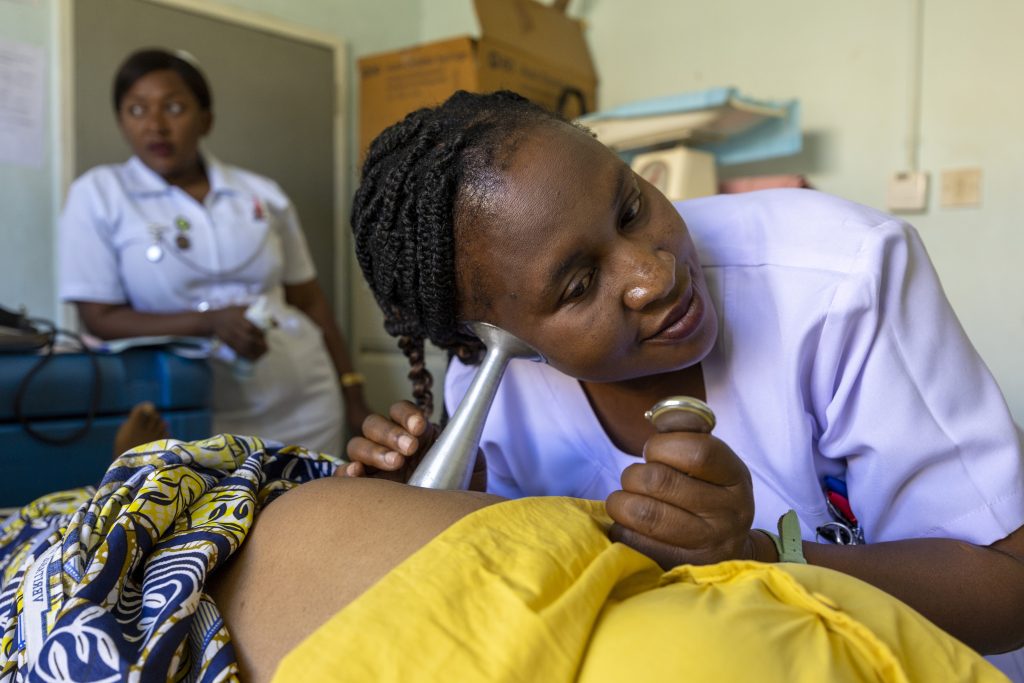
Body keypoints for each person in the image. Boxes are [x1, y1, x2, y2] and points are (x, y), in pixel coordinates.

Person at [344, 90, 1024, 678]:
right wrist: (454, 524)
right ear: (488, 336)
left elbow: (1010, 588)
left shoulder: (841, 279)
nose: (655, 274)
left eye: (632, 207)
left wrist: (763, 555)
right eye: (580, 285)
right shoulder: (492, 388)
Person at [57, 48, 369, 455]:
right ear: (120, 121)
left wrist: (352, 392)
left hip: (303, 397)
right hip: (192, 406)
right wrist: (210, 322)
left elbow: (309, 300)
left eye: (173, 107)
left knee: (316, 509)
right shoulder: (99, 194)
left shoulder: (261, 194)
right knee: (213, 515)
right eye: (136, 110)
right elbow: (99, 317)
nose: (155, 126)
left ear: (206, 118)